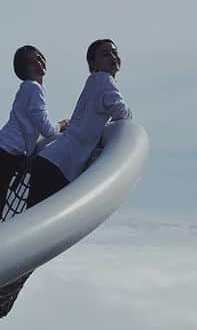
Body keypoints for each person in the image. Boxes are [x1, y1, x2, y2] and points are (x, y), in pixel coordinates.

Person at [0, 46, 67, 238]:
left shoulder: (29, 89)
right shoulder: (33, 89)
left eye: (40, 58)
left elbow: (32, 130)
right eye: (32, 61)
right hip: (3, 156)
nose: (39, 63)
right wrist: (62, 124)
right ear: (24, 70)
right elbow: (46, 129)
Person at [26, 38, 131, 208]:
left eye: (114, 52)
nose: (113, 56)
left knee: (30, 218)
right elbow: (121, 112)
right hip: (60, 164)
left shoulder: (93, 82)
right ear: (93, 63)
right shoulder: (105, 81)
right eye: (106, 54)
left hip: (50, 159)